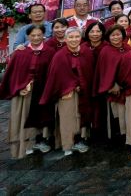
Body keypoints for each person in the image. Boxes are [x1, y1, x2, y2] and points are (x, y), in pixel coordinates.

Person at [0, 25, 55, 157]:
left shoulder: (50, 51)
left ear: (44, 36)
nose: (36, 38)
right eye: (33, 35)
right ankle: (27, 142)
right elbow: (12, 74)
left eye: (39, 35)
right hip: (25, 91)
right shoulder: (20, 53)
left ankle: (41, 140)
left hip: (42, 90)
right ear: (28, 37)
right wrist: (19, 87)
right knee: (24, 116)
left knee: (42, 115)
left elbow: (53, 72)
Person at [40, 27, 94, 155]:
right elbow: (56, 76)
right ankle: (67, 145)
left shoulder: (86, 52)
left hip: (83, 92)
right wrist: (70, 86)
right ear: (65, 39)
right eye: (70, 37)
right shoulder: (59, 56)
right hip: (66, 93)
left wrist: (83, 84)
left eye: (77, 37)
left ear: (81, 38)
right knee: (67, 118)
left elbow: (89, 72)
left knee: (81, 116)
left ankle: (80, 140)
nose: (74, 40)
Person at [94, 26, 131, 146]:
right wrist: (113, 84)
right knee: (115, 116)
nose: (116, 37)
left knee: (128, 114)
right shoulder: (106, 51)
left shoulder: (128, 48)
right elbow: (104, 71)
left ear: (123, 35)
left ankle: (128, 137)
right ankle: (116, 139)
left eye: (118, 34)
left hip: (127, 87)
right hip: (113, 89)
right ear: (108, 37)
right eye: (113, 35)